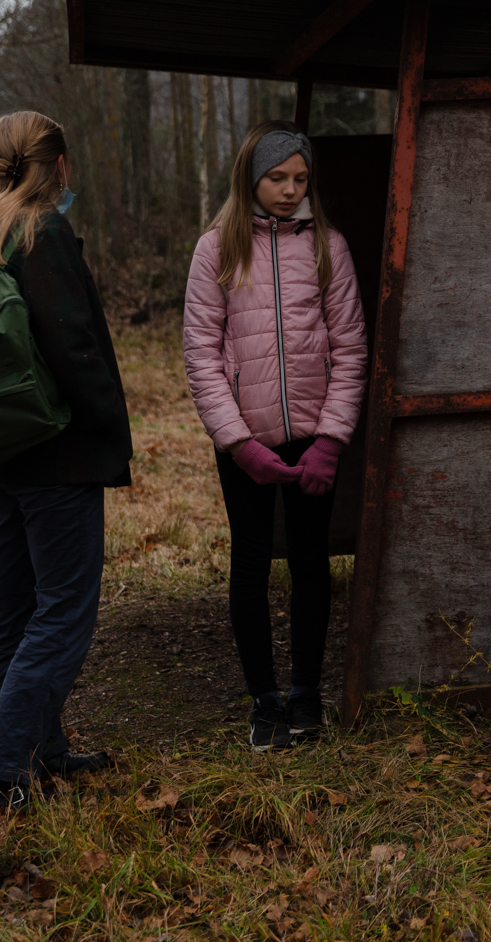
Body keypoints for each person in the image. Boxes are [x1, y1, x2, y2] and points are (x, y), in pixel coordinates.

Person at [0, 111, 133, 815]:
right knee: (62, 612)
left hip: (2, 452)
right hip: (56, 454)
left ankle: (41, 749)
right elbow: (72, 347)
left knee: (16, 612)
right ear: (59, 166)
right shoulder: (41, 233)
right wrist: (109, 426)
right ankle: (4, 766)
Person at [182, 121, 368, 751]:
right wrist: (238, 443)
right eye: (276, 177)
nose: (289, 190)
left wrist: (331, 440)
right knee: (252, 562)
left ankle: (307, 694)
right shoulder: (217, 250)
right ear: (250, 179)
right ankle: (264, 702)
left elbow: (351, 348)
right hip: (246, 443)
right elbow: (201, 356)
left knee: (312, 566)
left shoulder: (328, 248)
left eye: (300, 179)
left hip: (313, 440)